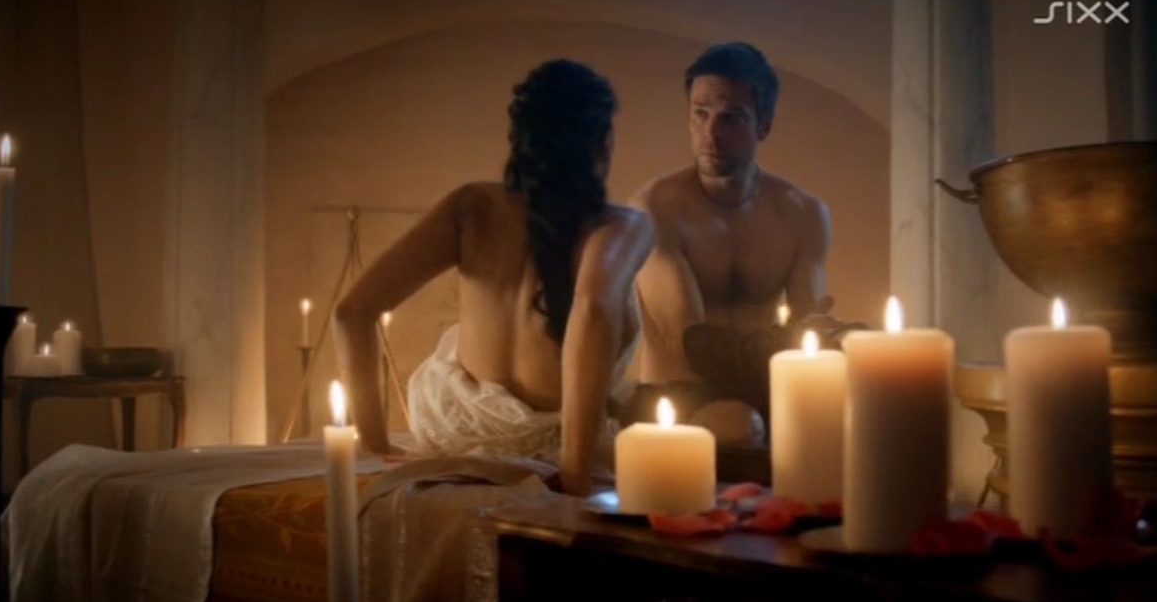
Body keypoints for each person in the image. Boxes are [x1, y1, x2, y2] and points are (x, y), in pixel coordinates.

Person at [334, 59, 654, 497]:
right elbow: (593, 309)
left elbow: (351, 312)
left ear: (519, 142)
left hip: (451, 439)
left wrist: (375, 448)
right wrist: (575, 480)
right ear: (604, 144)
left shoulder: (471, 206)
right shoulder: (623, 226)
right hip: (553, 453)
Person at [629, 42, 860, 445]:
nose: (711, 133)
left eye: (731, 118)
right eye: (700, 113)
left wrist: (846, 341)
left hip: (762, 392)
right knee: (739, 424)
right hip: (678, 398)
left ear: (763, 126)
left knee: (861, 416)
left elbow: (809, 339)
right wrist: (800, 339)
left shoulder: (803, 213)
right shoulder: (656, 208)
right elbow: (691, 347)